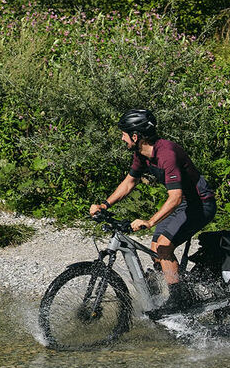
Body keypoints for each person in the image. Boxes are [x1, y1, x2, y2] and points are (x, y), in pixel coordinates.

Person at [88, 109, 216, 304]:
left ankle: (179, 301)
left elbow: (175, 198)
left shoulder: (167, 154)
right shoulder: (142, 153)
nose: (122, 138)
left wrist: (150, 222)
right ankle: (179, 287)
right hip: (182, 204)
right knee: (156, 248)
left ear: (135, 135)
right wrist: (104, 205)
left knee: (164, 247)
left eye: (124, 134)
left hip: (200, 204)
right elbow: (129, 182)